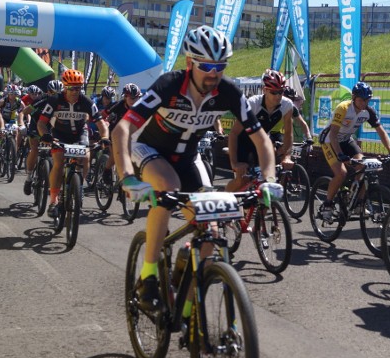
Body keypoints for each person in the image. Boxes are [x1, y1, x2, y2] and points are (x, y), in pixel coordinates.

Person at [112, 25, 283, 313]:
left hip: (188, 159)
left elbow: (262, 139)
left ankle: (189, 310)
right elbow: (122, 129)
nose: (214, 73)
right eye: (206, 66)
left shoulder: (228, 92)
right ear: (190, 63)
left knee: (212, 229)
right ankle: (150, 272)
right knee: (167, 187)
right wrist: (127, 177)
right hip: (151, 150)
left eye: (220, 65)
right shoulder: (169, 85)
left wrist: (268, 180)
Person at [318, 81, 390, 221]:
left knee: (364, 166)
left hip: (346, 139)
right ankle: (328, 204)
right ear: (354, 98)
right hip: (330, 140)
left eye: (367, 100)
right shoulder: (343, 108)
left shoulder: (368, 112)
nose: (363, 103)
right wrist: (340, 154)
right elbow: (334, 134)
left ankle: (358, 202)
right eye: (361, 100)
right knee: (341, 173)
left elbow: (381, 132)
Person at [37, 70, 108, 216]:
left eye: (78, 88)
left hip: (79, 133)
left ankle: (78, 186)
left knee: (86, 157)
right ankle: (53, 200)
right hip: (59, 134)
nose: (75, 91)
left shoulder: (86, 102)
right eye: (72, 88)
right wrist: (45, 135)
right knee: (58, 162)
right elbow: (41, 123)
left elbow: (101, 124)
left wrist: (105, 138)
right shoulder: (55, 100)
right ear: (64, 87)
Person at [226, 69, 294, 192]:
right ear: (265, 90)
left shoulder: (287, 105)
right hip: (243, 142)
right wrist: (234, 163)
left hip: (261, 142)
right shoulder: (253, 104)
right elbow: (234, 133)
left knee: (268, 182)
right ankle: (224, 200)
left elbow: (289, 133)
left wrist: (287, 156)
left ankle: (259, 209)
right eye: (274, 92)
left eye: (281, 91)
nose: (278, 96)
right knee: (242, 180)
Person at [100, 83, 143, 185]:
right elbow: (101, 115)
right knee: (116, 155)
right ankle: (106, 170)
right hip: (115, 133)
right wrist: (104, 124)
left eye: (136, 98)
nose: (134, 101)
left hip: (131, 134)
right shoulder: (118, 105)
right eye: (131, 98)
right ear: (125, 97)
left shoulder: (141, 107)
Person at [22, 81, 59, 195]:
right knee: (34, 149)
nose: (55, 96)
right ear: (48, 92)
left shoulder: (62, 102)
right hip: (36, 125)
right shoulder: (41, 99)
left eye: (58, 93)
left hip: (50, 127)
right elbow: (25, 111)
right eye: (53, 93)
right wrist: (24, 122)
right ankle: (28, 177)